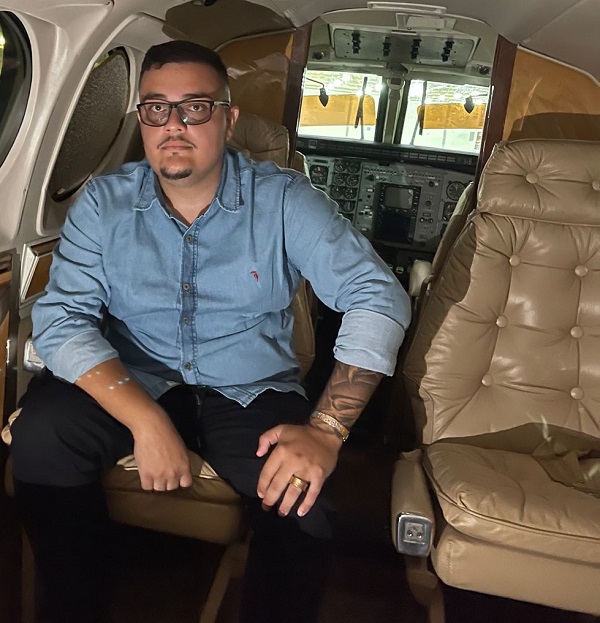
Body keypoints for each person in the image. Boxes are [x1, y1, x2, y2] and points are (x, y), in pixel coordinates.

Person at [9, 40, 411, 623]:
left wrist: (326, 431)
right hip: (135, 376)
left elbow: (377, 296)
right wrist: (146, 421)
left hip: (249, 390)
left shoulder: (284, 199)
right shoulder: (102, 203)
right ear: (141, 120)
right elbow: (61, 317)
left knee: (306, 502)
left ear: (228, 118)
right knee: (42, 435)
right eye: (156, 108)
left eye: (195, 107)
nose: (173, 125)